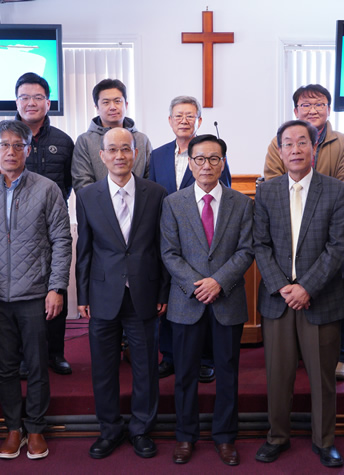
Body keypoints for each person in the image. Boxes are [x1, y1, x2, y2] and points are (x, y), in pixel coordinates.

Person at [0, 120, 72, 460]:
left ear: (28, 150)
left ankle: (36, 428)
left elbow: (61, 240)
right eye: (4, 145)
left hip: (35, 294)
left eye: (18, 145)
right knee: (5, 367)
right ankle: (14, 427)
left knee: (38, 365)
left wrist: (57, 287)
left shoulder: (47, 189)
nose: (10, 151)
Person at [253, 120, 344, 468]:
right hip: (278, 300)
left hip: (320, 298)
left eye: (301, 142)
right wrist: (283, 286)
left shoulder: (337, 191)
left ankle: (324, 441)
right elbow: (260, 244)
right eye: (288, 144)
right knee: (278, 376)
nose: (295, 149)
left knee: (323, 377)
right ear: (280, 151)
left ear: (314, 148)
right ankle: (276, 437)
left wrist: (307, 287)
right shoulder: (266, 191)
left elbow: (338, 247)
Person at [160, 134, 254, 466]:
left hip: (227, 301)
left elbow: (246, 250)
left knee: (227, 373)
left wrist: (219, 282)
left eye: (214, 158)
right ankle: (185, 436)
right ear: (190, 163)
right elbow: (169, 253)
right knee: (185, 374)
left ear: (223, 163)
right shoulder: (173, 203)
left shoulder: (241, 203)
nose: (206, 165)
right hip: (187, 302)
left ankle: (225, 437)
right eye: (199, 158)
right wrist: (197, 285)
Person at [75, 127, 168, 460]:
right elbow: (84, 249)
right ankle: (110, 430)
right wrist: (82, 296)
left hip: (144, 292)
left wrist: (163, 290)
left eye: (125, 149)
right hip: (102, 294)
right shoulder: (87, 196)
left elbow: (162, 248)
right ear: (101, 156)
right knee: (103, 368)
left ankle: (141, 429)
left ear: (136, 153)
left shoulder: (156, 194)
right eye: (112, 150)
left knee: (145, 367)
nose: (119, 156)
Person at [262, 84, 344, 381]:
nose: (313, 109)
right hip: (288, 224)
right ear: (296, 110)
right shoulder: (279, 141)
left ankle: (337, 355)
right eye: (306, 104)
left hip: (326, 226)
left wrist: (316, 198)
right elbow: (273, 183)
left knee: (330, 297)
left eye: (319, 104)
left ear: (329, 108)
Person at [0, 72, 75, 376]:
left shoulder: (63, 141)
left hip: (49, 222)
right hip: (10, 228)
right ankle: (23, 355)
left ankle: (55, 353)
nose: (31, 102)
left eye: (38, 97)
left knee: (54, 287)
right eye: (24, 97)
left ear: (48, 102)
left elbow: (69, 183)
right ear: (16, 102)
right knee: (22, 297)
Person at [150, 95, 232, 383]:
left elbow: (224, 196)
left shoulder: (211, 153)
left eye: (190, 116)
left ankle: (205, 359)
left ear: (199, 120)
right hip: (167, 239)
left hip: (203, 238)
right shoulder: (157, 155)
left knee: (202, 299)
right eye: (178, 116)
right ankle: (170, 355)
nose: (183, 121)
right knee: (168, 297)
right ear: (170, 120)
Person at [72, 78, 152, 192]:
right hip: (98, 202)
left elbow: (151, 178)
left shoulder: (141, 139)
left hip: (139, 202)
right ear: (97, 108)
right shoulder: (85, 141)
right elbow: (82, 182)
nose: (113, 107)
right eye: (106, 102)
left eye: (117, 101)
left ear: (126, 105)